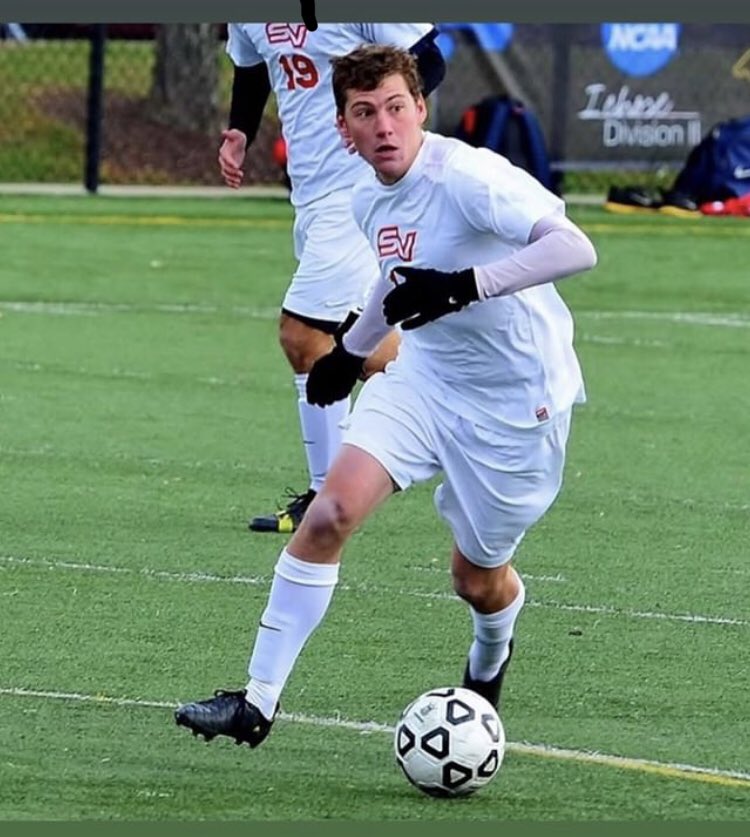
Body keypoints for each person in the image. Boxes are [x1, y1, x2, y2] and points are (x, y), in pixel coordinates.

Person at [175, 44, 597, 749]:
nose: (384, 126)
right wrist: (350, 349)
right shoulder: (366, 196)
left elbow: (575, 247)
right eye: (365, 113)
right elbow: (395, 283)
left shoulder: (469, 176)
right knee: (331, 510)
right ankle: (256, 701)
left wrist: (466, 284)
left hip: (516, 403)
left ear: (420, 108)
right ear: (344, 128)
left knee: (476, 577)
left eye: (396, 108)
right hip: (425, 379)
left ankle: (489, 661)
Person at [222, 22, 446, 533]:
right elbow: (252, 64)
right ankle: (463, 404)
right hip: (311, 192)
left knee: (303, 335)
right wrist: (241, 130)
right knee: (364, 347)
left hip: (359, 187)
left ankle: (326, 495)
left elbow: (428, 58)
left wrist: (380, 120)